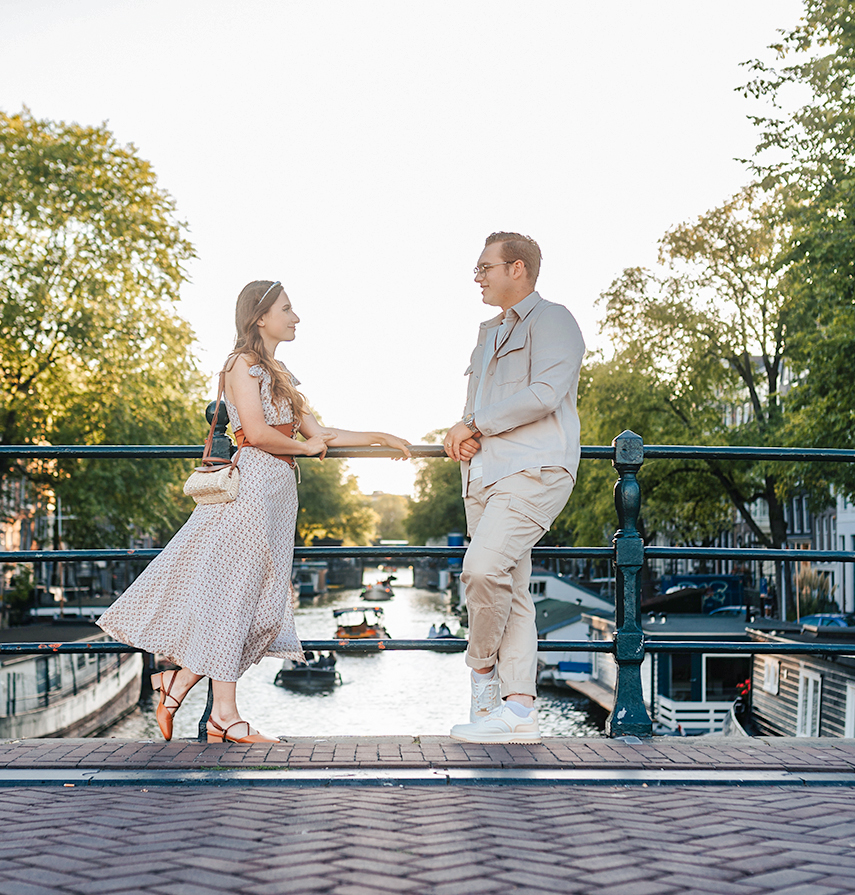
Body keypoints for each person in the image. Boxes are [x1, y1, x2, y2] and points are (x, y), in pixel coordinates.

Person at [97, 280, 411, 743]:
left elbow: (318, 430)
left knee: (262, 608)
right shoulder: (240, 364)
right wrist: (305, 449)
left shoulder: (279, 371)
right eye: (288, 309)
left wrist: (379, 437)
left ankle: (177, 684)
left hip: (278, 496)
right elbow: (260, 434)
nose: (296, 317)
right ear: (260, 316)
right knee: (238, 601)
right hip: (251, 492)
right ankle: (224, 716)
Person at [442, 233, 584, 744]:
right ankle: (519, 709)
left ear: (517, 268)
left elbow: (545, 393)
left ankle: (482, 676)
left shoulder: (555, 320)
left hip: (534, 470)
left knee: (479, 569)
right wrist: (461, 432)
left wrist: (475, 423)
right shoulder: (486, 334)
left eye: (485, 267)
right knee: (511, 588)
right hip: (483, 476)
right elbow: (474, 410)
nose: (477, 277)